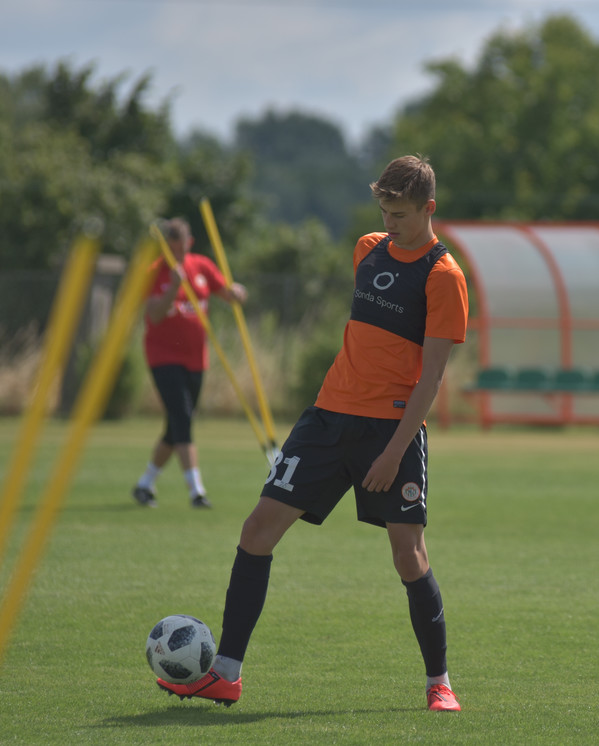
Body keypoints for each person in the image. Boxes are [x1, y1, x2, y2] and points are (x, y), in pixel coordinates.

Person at [156, 155, 468, 712]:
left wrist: (395, 450)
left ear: (429, 209)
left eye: (400, 213)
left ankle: (439, 683)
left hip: (390, 430)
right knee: (257, 530)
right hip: (326, 418)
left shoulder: (445, 278)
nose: (390, 222)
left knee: (407, 555)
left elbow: (432, 377)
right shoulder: (367, 248)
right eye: (384, 211)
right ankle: (226, 673)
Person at [132, 217, 248, 509]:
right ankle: (196, 491)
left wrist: (237, 293)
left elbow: (227, 293)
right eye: (171, 248)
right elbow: (154, 315)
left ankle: (145, 484)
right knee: (183, 418)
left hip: (196, 358)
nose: (177, 253)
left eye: (181, 247)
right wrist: (173, 286)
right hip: (163, 357)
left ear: (189, 243)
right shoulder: (154, 272)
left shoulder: (202, 266)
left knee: (176, 425)